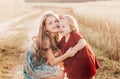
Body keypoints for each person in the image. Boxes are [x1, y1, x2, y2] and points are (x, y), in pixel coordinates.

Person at [23, 11, 75, 79]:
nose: (55, 24)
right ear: (45, 27)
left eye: (56, 21)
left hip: (41, 63)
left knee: (61, 68)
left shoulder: (54, 37)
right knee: (60, 73)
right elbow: (52, 62)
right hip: (33, 69)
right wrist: (68, 54)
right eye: (50, 23)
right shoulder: (45, 40)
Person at [58, 15, 100, 79]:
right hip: (74, 65)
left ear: (71, 27)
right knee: (74, 75)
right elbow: (58, 48)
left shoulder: (74, 34)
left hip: (83, 62)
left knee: (86, 76)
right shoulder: (62, 40)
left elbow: (83, 42)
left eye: (63, 26)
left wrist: (73, 50)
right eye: (59, 26)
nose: (60, 28)